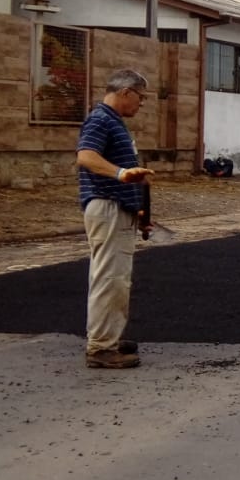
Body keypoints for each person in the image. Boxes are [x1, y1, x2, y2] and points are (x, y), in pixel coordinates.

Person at [75, 68, 155, 369]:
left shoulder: (113, 122)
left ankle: (109, 335)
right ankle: (100, 348)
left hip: (120, 209)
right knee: (109, 278)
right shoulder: (100, 119)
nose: (142, 103)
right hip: (107, 207)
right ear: (125, 92)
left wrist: (142, 212)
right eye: (140, 96)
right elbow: (86, 156)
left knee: (117, 279)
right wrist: (121, 173)